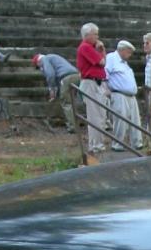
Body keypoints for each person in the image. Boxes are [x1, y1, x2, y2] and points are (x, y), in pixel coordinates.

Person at [76, 22, 109, 155]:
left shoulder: (91, 47)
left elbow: (104, 63)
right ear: (87, 35)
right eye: (95, 34)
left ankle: (98, 143)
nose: (97, 37)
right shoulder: (85, 47)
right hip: (91, 83)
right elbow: (102, 62)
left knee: (101, 115)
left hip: (98, 83)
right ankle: (95, 145)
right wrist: (101, 51)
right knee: (95, 116)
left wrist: (101, 51)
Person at [105, 40, 143, 151]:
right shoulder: (111, 58)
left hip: (131, 95)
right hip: (119, 93)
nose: (130, 55)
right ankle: (118, 144)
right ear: (122, 50)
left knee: (135, 120)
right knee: (120, 120)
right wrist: (106, 88)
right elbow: (105, 73)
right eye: (128, 52)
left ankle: (137, 142)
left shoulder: (124, 63)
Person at [32, 52, 79, 133]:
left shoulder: (45, 59)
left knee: (66, 103)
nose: (40, 69)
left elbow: (50, 75)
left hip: (66, 78)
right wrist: (56, 91)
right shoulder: (53, 57)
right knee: (72, 102)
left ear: (38, 62)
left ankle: (72, 127)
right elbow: (56, 78)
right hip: (76, 76)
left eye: (38, 67)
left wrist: (51, 89)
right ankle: (76, 124)